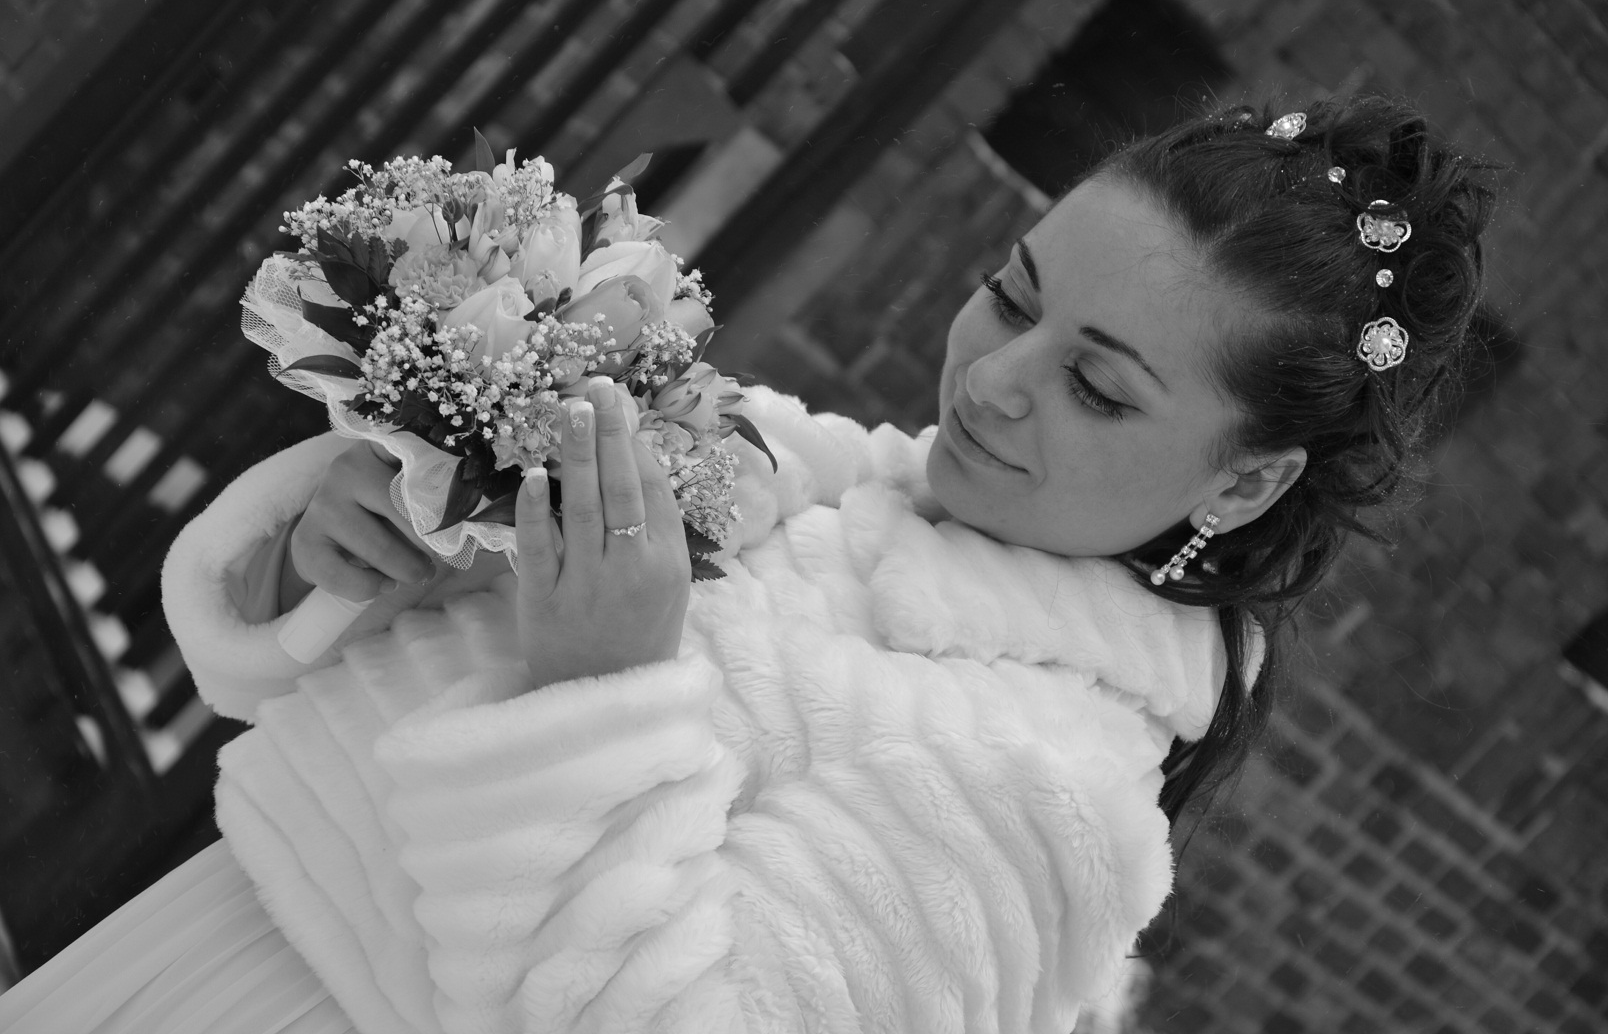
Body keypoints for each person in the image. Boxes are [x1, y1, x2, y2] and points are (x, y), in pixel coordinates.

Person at [0, 94, 1495, 1033]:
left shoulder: (1053, 806)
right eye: (1010, 294)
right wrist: (334, 556)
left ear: (1244, 477)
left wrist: (597, 687)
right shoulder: (773, 470)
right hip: (176, 955)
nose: (993, 381)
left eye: (1098, 388)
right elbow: (308, 693)